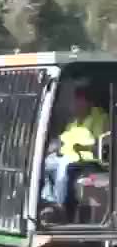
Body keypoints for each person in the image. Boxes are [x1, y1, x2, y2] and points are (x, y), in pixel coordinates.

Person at [42, 85, 110, 215]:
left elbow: (103, 144)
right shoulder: (74, 121)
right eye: (74, 101)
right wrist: (53, 148)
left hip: (90, 160)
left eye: (79, 101)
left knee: (63, 166)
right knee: (45, 164)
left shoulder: (100, 119)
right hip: (69, 156)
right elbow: (64, 139)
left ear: (89, 102)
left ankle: (60, 206)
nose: (74, 105)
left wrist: (82, 147)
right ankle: (49, 200)